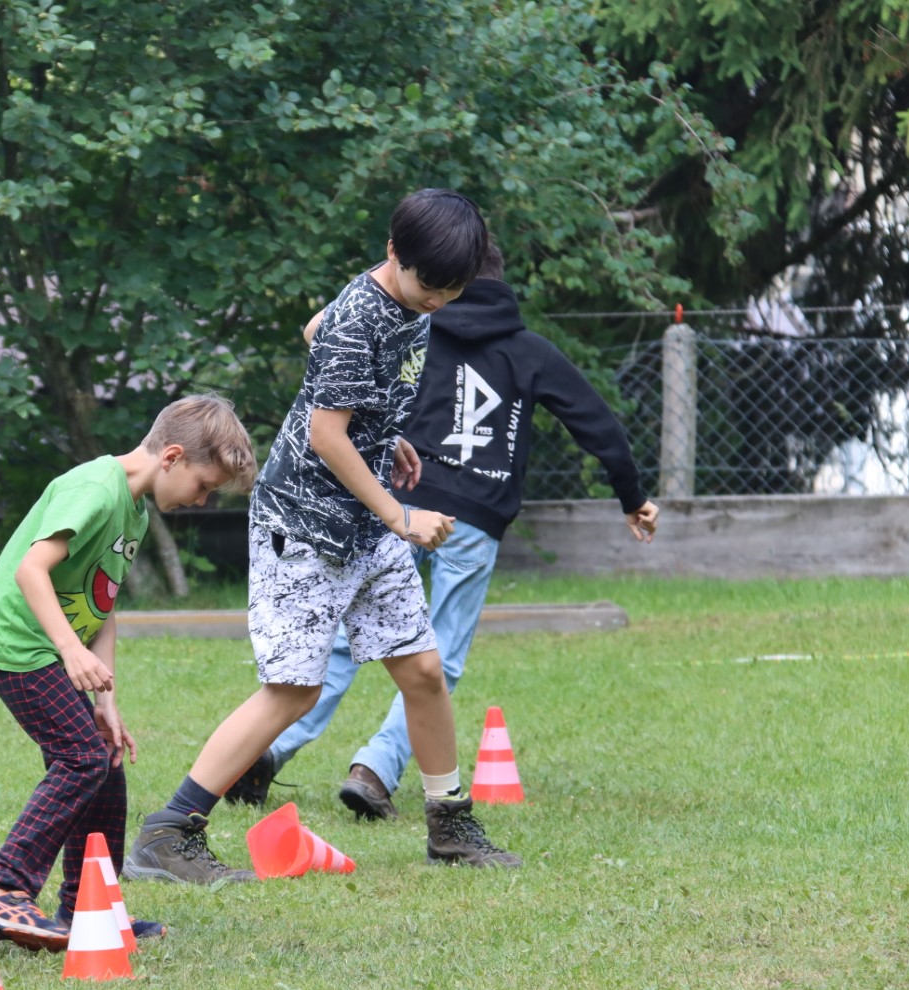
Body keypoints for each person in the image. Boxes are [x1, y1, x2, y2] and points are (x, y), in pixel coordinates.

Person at [125, 189, 521, 886]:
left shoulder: (402, 299)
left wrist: (382, 430)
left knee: (423, 670)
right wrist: (401, 515)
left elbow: (315, 331)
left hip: (362, 521)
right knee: (293, 691)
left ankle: (449, 825)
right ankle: (169, 832)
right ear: (395, 254)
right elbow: (324, 433)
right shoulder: (360, 314)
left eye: (452, 291)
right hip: (304, 525)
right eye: (429, 286)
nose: (438, 301)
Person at [226, 242, 660, 819]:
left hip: (398, 502)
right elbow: (594, 421)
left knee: (341, 641)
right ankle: (375, 769)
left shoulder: (413, 325)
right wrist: (632, 496)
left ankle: (269, 749)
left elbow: (326, 343)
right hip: (474, 516)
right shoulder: (528, 350)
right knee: (441, 655)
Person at [0, 394, 257, 950]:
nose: (202, 500)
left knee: (105, 763)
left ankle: (89, 913)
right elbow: (31, 570)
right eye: (203, 485)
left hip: (48, 645)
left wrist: (105, 701)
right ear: (171, 457)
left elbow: (103, 601)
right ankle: (5, 890)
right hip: (13, 640)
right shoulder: (96, 489)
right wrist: (70, 651)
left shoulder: (133, 509)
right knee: (80, 758)